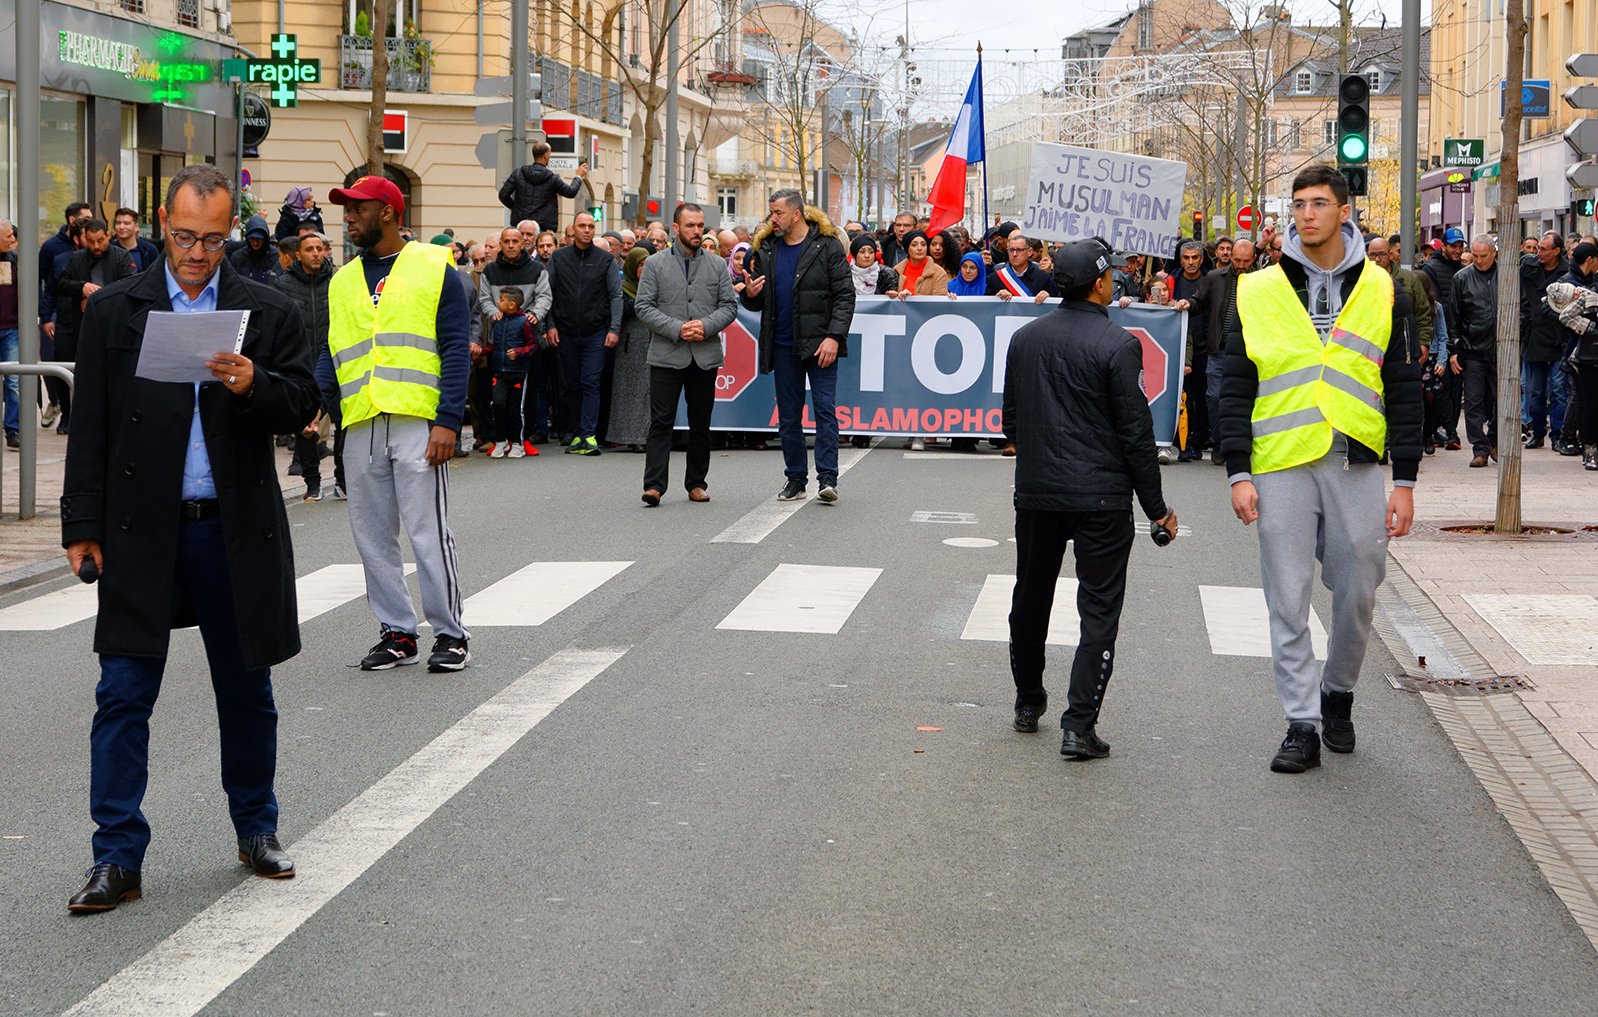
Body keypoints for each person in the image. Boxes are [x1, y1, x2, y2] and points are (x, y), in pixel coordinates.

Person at [60, 163, 320, 912]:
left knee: (247, 692)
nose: (197, 254)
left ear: (230, 231)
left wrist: (251, 384)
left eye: (211, 239)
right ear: (161, 226)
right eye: (183, 237)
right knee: (122, 695)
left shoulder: (265, 309)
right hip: (143, 531)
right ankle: (116, 857)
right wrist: (81, 524)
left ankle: (256, 826)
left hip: (231, 529)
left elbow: (302, 400)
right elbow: (93, 426)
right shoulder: (116, 310)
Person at [1220, 164, 1423, 774]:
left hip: (1354, 458)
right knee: (1287, 596)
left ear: (1344, 211)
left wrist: (1406, 481)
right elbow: (1235, 385)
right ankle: (1301, 722)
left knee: (1359, 585)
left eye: (1319, 203)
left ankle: (1338, 691)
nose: (1306, 214)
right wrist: (1238, 471)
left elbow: (1405, 385)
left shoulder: (1387, 288)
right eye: (1299, 204)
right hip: (1279, 461)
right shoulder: (1255, 289)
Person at [1003, 238, 1176, 758]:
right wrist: (1157, 510)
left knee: (1030, 597)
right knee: (1098, 609)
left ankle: (1028, 701)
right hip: (1101, 497)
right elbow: (1135, 434)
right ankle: (1078, 725)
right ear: (1102, 283)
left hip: (1037, 492)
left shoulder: (1025, 338)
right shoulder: (1118, 344)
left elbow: (1010, 423)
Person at [324, 174, 472, 673]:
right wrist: (319, 408)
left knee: (428, 532)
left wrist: (448, 419)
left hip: (417, 420)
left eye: (357, 208)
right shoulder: (342, 280)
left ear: (387, 211)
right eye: (346, 208)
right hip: (360, 421)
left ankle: (450, 634)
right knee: (372, 537)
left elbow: (455, 347)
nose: (348, 217)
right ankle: (397, 632)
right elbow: (333, 353)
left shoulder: (435, 267)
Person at [740, 189, 853, 502]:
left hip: (820, 345)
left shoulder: (827, 246)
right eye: (771, 212)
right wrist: (749, 294)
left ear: (796, 214)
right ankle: (795, 480)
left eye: (777, 212)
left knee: (825, 411)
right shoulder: (766, 249)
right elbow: (758, 302)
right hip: (783, 345)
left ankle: (828, 478)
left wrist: (834, 336)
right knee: (789, 415)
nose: (772, 218)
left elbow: (845, 295)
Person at [634, 203, 739, 505]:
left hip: (703, 355)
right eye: (690, 225)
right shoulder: (654, 264)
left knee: (700, 423)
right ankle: (654, 485)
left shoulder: (718, 265)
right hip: (667, 354)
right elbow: (643, 307)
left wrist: (705, 326)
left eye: (700, 225)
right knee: (661, 421)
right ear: (676, 228)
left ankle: (696, 483)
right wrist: (677, 328)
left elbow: (729, 307)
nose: (697, 231)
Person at [546, 211, 621, 454]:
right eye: (582, 226)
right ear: (573, 229)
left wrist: (614, 328)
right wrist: (550, 325)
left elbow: (615, 295)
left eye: (591, 226)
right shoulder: (558, 258)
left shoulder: (605, 259)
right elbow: (548, 294)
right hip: (565, 332)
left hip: (596, 332)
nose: (587, 230)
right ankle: (576, 433)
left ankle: (589, 434)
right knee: (571, 384)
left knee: (590, 381)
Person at [54, 219, 136, 436]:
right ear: (83, 240)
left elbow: (130, 286)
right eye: (91, 242)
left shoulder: (121, 257)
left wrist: (99, 299)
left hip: (114, 327)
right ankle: (69, 416)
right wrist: (82, 288)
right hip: (81, 327)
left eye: (100, 240)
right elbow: (60, 283)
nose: (97, 246)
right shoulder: (76, 259)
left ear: (108, 236)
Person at [275, 230, 339, 500]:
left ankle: (343, 479)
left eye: (319, 248)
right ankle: (312, 481)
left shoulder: (338, 282)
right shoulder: (283, 286)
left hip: (335, 363)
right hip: (300, 366)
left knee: (343, 421)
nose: (316, 253)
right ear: (297, 255)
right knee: (306, 424)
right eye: (310, 249)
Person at [477, 226, 551, 454]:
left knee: (528, 392)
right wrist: (493, 312)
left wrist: (535, 315)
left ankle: (523, 438)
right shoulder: (490, 271)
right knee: (498, 396)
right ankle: (500, 439)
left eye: (515, 241)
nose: (510, 245)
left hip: (526, 340)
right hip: (499, 341)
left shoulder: (536, 269)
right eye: (506, 241)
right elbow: (485, 298)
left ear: (523, 244)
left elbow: (545, 296)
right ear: (501, 243)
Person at [1450, 236, 1500, 467]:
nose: (1479, 260)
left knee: (1502, 401)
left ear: (1493, 254)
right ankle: (1479, 449)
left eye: (1484, 256)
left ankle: (1493, 440)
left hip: (1502, 349)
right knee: (1473, 402)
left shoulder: (1506, 275)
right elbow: (1455, 317)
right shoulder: (1461, 278)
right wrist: (1456, 348)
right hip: (1473, 349)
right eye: (1475, 256)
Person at [1521, 231, 1570, 451]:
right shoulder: (1529, 268)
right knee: (1536, 390)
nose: (1538, 252)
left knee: (1559, 389)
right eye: (1538, 248)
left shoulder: (1567, 272)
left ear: (1557, 251)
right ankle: (1538, 431)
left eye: (1543, 249)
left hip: (1560, 339)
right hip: (1535, 338)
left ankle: (1558, 434)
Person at [1552, 241, 1598, 468]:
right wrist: (1591, 329)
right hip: (1589, 358)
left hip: (1585, 355)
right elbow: (1566, 316)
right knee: (1589, 403)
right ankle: (1588, 450)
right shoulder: (1591, 293)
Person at [483, 287, 540, 458]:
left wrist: (519, 352)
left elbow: (533, 345)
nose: (497, 302)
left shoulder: (524, 322)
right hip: (499, 371)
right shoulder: (498, 322)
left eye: (501, 299)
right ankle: (501, 441)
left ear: (511, 304)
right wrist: (481, 351)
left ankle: (517, 443)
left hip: (518, 372)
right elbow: (494, 346)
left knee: (515, 408)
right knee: (498, 405)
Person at [606, 245, 654, 450]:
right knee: (627, 391)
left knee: (648, 392)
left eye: (647, 265)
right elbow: (621, 311)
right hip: (629, 344)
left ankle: (644, 437)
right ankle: (626, 436)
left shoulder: (655, 285)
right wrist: (641, 300)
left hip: (651, 342)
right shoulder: (623, 286)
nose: (643, 269)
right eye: (640, 265)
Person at [500, 141, 587, 234]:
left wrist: (515, 208)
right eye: (549, 154)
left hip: (520, 227)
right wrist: (578, 176)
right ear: (546, 156)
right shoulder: (552, 178)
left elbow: (503, 195)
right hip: (543, 228)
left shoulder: (518, 173)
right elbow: (570, 192)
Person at [987, 232, 1054, 302]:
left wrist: (1048, 296)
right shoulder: (996, 278)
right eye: (1011, 250)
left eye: (1019, 250)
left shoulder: (1043, 277)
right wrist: (996, 297)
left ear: (1029, 252)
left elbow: (1057, 303)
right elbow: (987, 306)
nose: (1014, 254)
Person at [890, 231, 951, 299]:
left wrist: (912, 297)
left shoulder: (939, 272)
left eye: (923, 244)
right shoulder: (896, 270)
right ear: (908, 250)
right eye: (914, 245)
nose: (919, 248)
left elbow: (939, 302)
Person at [0, 220, 18, 449]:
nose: (13, 239)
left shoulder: (16, 261)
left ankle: (13, 429)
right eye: (9, 236)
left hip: (12, 328)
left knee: (14, 380)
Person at [229, 215, 279, 283]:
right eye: (252, 239)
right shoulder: (238, 257)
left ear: (265, 239)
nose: (255, 243)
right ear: (247, 239)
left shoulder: (276, 256)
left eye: (259, 239)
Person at [110, 208, 159, 272]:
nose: (121, 227)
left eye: (126, 223)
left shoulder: (149, 250)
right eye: (118, 223)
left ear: (136, 226)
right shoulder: (110, 251)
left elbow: (156, 275)